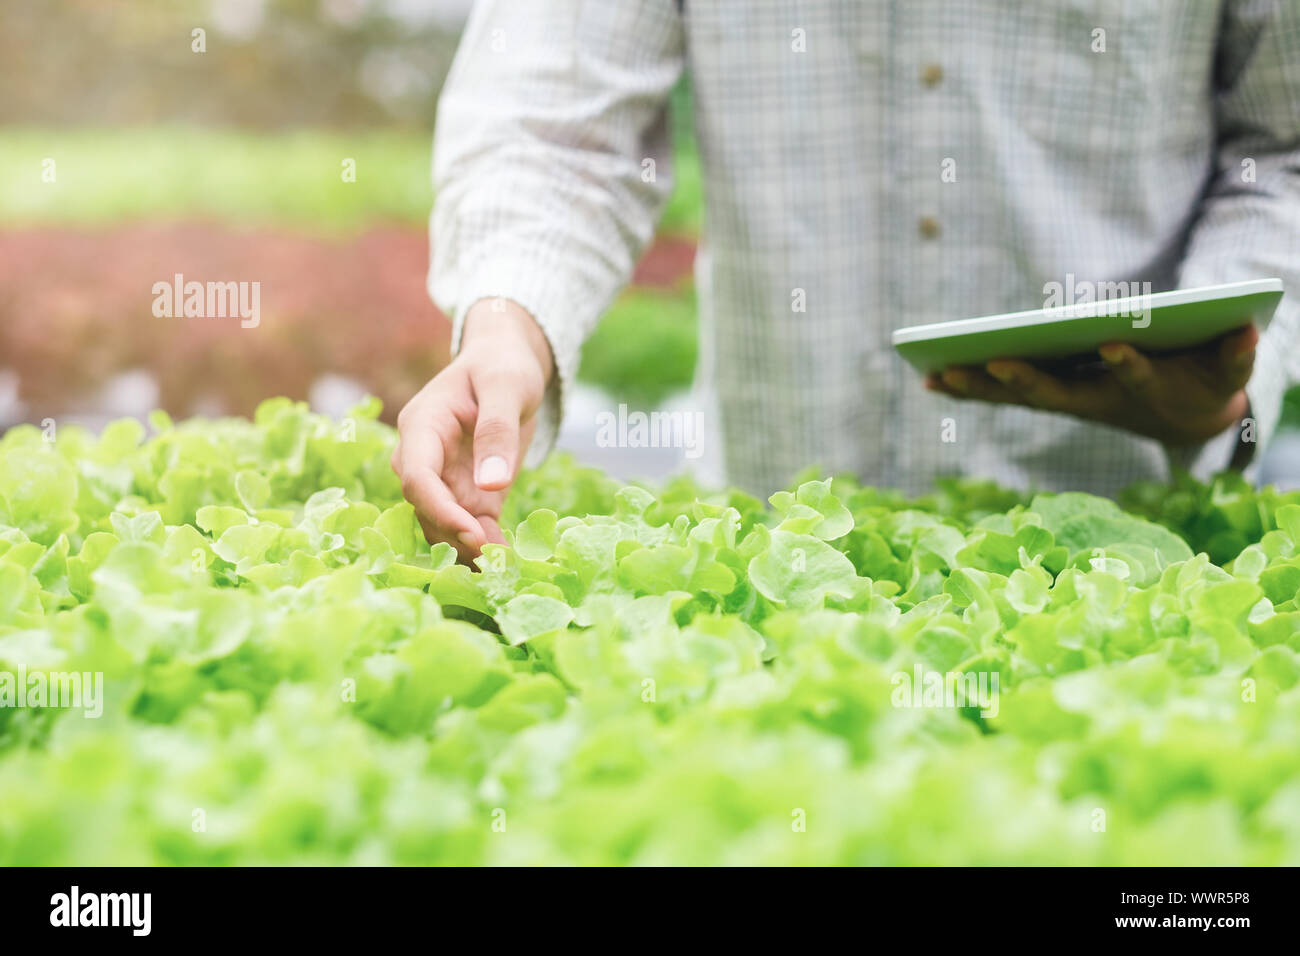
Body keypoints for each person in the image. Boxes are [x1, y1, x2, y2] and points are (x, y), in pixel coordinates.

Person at [393, 0, 1300, 559]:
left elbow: (1283, 146)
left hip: (1140, 537)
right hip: (775, 541)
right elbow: (557, 127)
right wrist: (510, 323)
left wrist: (1231, 385)